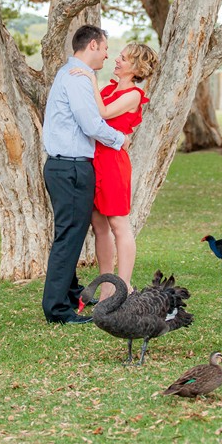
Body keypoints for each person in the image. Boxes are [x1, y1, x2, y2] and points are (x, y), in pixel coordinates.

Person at [42, 25, 127, 325]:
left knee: (72, 235)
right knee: (68, 237)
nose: (107, 54)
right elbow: (91, 124)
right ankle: (57, 310)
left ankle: (69, 295)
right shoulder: (76, 79)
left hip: (65, 166)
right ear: (92, 45)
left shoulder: (72, 74)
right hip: (71, 167)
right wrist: (119, 139)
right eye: (105, 48)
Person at [70, 42, 158, 300]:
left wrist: (90, 78)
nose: (117, 60)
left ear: (136, 67)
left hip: (113, 164)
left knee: (119, 224)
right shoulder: (109, 88)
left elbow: (102, 112)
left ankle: (125, 285)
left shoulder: (133, 95)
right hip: (94, 161)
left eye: (123, 58)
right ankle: (107, 284)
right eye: (119, 56)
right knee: (99, 225)